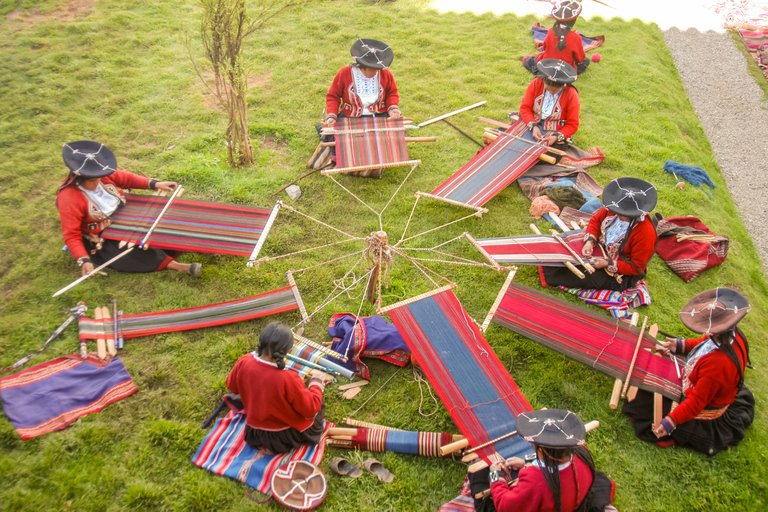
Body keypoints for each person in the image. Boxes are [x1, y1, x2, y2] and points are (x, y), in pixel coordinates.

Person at [623, 288, 754, 456]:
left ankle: (681, 433)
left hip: (704, 403)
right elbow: (705, 343)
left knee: (641, 404)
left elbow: (697, 402)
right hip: (707, 383)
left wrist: (671, 421)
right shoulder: (732, 334)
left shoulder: (718, 365)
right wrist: (678, 345)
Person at [56, 140, 200, 277]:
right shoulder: (68, 198)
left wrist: (155, 184)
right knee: (129, 251)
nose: (98, 182)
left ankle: (194, 240)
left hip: (125, 212)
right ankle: (179, 266)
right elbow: (71, 235)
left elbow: (125, 178)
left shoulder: (101, 173)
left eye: (99, 178)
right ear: (79, 178)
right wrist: (84, 259)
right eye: (92, 181)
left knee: (166, 219)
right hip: (103, 232)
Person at [469, 409, 615, 512]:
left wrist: (496, 477)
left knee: (479, 477)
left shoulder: (535, 481)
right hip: (570, 503)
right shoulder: (583, 454)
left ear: (540, 450)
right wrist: (525, 463)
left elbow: (505, 506)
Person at [226, 322, 333, 453]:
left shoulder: (244, 361)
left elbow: (232, 386)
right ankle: (273, 447)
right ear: (288, 351)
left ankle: (265, 444)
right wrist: (316, 382)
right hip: (283, 436)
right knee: (317, 401)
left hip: (254, 432)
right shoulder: (288, 378)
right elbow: (310, 409)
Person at [539, 177, 658, 291]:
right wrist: (590, 242)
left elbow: (637, 267)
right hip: (600, 247)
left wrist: (607, 263)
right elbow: (596, 221)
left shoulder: (645, 232)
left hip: (622, 268)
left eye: (622, 214)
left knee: (584, 274)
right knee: (566, 251)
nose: (617, 215)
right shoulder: (615, 208)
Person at [322, 38, 402, 129]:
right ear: (362, 67)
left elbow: (392, 93)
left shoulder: (385, 73)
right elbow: (333, 96)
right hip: (350, 117)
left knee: (387, 141)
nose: (376, 72)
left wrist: (393, 108)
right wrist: (332, 115)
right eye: (372, 70)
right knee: (343, 142)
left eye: (378, 69)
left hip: (379, 116)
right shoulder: (344, 73)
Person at [519, 59, 580, 147]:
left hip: (555, 130)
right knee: (513, 140)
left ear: (563, 86)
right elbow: (525, 108)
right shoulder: (536, 83)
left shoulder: (571, 94)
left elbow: (572, 124)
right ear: (544, 82)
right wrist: (533, 126)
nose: (551, 92)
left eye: (555, 90)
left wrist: (555, 137)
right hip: (533, 121)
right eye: (548, 89)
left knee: (549, 154)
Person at [523, 1, 590, 76]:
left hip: (547, 67)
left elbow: (545, 48)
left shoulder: (551, 31)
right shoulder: (576, 37)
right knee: (586, 60)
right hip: (564, 72)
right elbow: (580, 59)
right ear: (574, 19)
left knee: (536, 59)